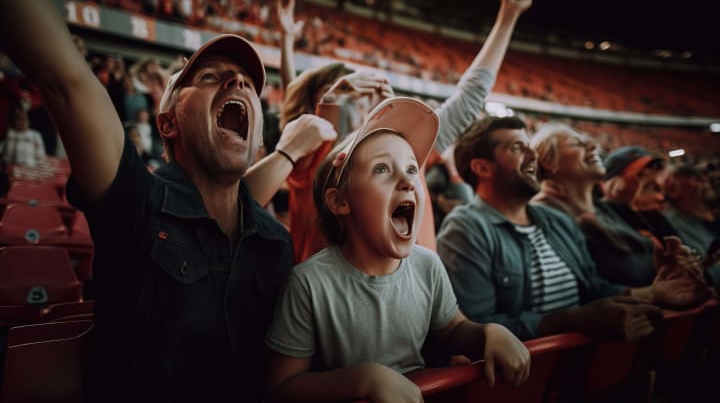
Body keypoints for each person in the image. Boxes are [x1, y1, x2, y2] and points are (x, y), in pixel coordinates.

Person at [0, 0, 307, 401]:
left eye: (247, 83)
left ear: (258, 139)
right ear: (169, 122)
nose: (238, 83)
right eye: (210, 77)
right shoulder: (136, 203)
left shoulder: (276, 242)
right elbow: (65, 80)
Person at [248, 0, 535, 263]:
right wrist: (331, 95)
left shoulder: (409, 152)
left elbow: (469, 97)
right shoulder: (312, 157)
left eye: (362, 92)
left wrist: (507, 17)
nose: (357, 99)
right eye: (344, 91)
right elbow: (301, 111)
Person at [265, 97, 530, 402]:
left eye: (411, 168)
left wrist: (486, 334)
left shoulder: (428, 265)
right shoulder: (308, 284)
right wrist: (363, 380)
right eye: (381, 169)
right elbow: (281, 387)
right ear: (339, 201)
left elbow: (451, 329)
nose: (406, 180)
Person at [436, 116, 704, 342]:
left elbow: (592, 288)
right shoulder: (466, 229)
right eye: (519, 148)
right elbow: (474, 330)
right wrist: (576, 320)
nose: (533, 156)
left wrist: (652, 293)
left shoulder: (556, 221)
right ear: (483, 167)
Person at [528, 123, 706, 288]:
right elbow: (585, 290)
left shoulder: (610, 210)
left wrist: (673, 265)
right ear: (548, 162)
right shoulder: (543, 218)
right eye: (576, 143)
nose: (593, 144)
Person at [1, 101, 46, 168]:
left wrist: (38, 167)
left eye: (25, 119)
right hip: (9, 168)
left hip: (29, 168)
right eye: (19, 119)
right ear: (14, 120)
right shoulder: (7, 133)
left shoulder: (35, 135)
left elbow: (41, 156)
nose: (22, 122)